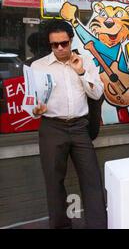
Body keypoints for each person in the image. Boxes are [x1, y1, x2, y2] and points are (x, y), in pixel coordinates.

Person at [29, 20, 107, 228]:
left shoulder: (86, 61)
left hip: (80, 127)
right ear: (49, 44)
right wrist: (35, 110)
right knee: (54, 181)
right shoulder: (38, 66)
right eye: (55, 45)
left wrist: (81, 72)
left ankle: (98, 225)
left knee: (92, 179)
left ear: (71, 40)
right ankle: (61, 226)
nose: (60, 48)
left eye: (64, 43)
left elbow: (98, 93)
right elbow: (29, 102)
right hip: (52, 127)